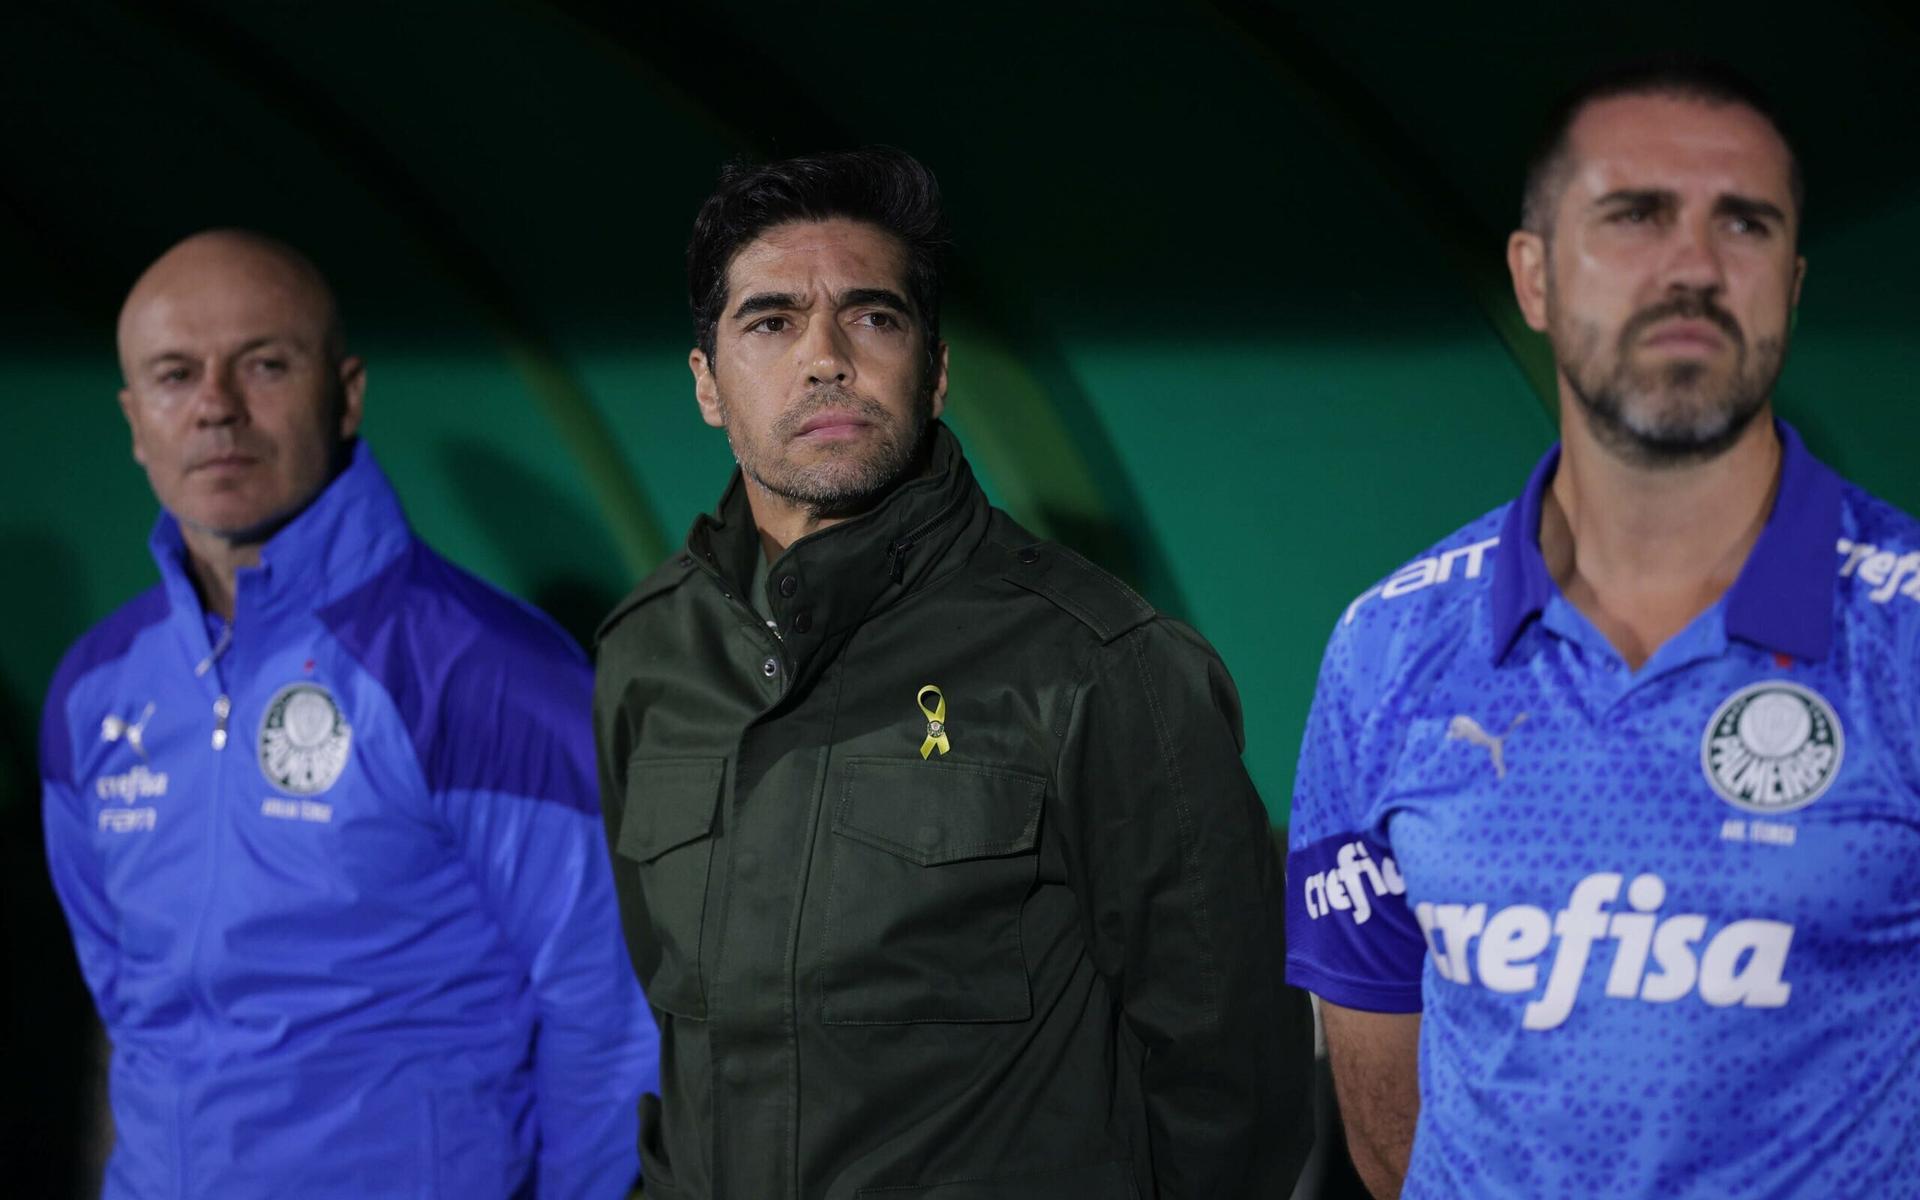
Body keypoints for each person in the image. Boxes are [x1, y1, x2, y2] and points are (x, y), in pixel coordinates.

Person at [593, 147, 1313, 1199]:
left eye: (873, 317)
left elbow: (1233, 1089)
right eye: (771, 322)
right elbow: (677, 1039)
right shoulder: (649, 651)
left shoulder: (1099, 663)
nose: (826, 357)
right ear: (707, 384)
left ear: (934, 370)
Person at [1287, 57, 1920, 1198]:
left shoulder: (1905, 638)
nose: (1693, 268)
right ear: (1532, 276)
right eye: (1634, 217)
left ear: (1793, 281)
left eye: (1746, 224)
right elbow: (1387, 1126)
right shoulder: (1387, 647)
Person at [40, 230, 658, 1199]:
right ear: (133, 419)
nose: (215, 407)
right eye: (174, 374)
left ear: (348, 392)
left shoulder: (483, 669)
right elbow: (129, 1011)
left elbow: (612, 1016)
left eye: (265, 364)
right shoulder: (95, 689)